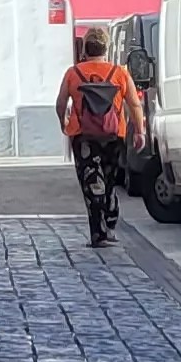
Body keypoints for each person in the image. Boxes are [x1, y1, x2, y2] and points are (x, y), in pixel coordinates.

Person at [56, 27, 145, 248]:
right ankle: (111, 224)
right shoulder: (119, 73)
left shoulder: (72, 73)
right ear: (106, 48)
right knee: (109, 181)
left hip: (82, 135)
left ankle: (98, 233)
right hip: (114, 135)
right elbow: (134, 104)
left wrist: (64, 123)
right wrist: (140, 131)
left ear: (85, 48)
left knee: (91, 183)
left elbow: (60, 103)